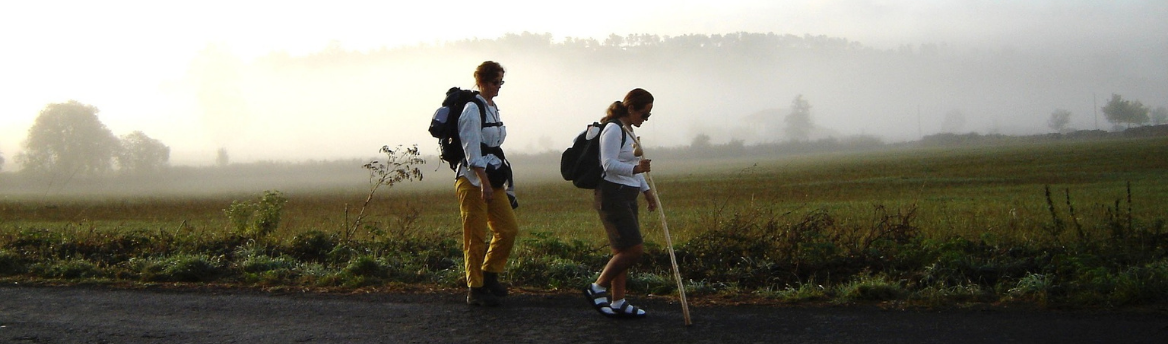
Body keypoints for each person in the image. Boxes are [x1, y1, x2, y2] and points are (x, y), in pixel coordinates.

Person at [583, 88, 657, 318]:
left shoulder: (629, 131)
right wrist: (637, 168)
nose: (645, 120)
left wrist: (647, 192)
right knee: (634, 250)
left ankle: (618, 301)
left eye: (649, 117)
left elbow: (633, 170)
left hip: (627, 195)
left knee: (621, 250)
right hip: (611, 194)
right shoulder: (614, 129)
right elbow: (609, 164)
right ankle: (597, 287)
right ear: (631, 108)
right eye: (644, 115)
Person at [455, 61, 518, 307]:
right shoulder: (472, 109)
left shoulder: (492, 107)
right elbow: (471, 149)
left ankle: (490, 274)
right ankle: (475, 288)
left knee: (508, 229)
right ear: (481, 81)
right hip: (472, 180)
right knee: (475, 236)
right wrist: (483, 182)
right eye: (495, 82)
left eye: (501, 82)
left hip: (491, 177)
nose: (498, 87)